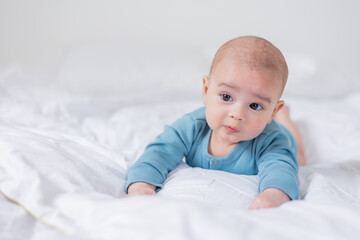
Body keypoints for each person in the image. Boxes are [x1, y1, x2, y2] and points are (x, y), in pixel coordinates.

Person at [125, 36, 306, 210]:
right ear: (206, 90)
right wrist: (141, 184)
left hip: (283, 136)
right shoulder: (193, 126)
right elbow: (161, 151)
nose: (237, 114)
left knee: (299, 158)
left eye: (255, 106)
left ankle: (285, 119)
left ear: (272, 111)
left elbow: (280, 169)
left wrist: (273, 194)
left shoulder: (272, 141)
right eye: (226, 97)